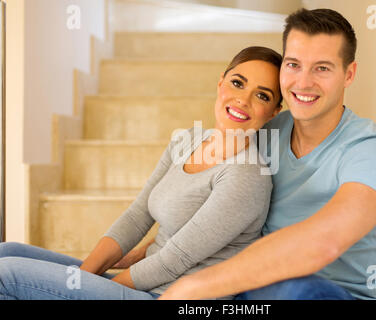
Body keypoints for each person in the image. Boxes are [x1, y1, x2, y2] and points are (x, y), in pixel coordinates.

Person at [0, 46, 283, 300]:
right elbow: (137, 216)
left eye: (261, 95)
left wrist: (79, 288)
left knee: (6, 273)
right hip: (142, 284)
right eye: (237, 83)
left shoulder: (247, 175)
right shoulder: (188, 139)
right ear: (221, 82)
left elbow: (175, 259)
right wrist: (82, 279)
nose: (243, 100)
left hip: (168, 295)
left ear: (273, 112)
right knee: (7, 252)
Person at [158, 8, 376, 300]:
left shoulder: (371, 149)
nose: (303, 82)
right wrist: (145, 258)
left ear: (348, 74)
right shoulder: (266, 132)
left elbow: (325, 243)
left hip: (325, 294)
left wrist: (196, 286)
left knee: (297, 290)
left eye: (322, 68)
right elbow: (205, 215)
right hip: (252, 291)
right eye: (293, 65)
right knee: (87, 281)